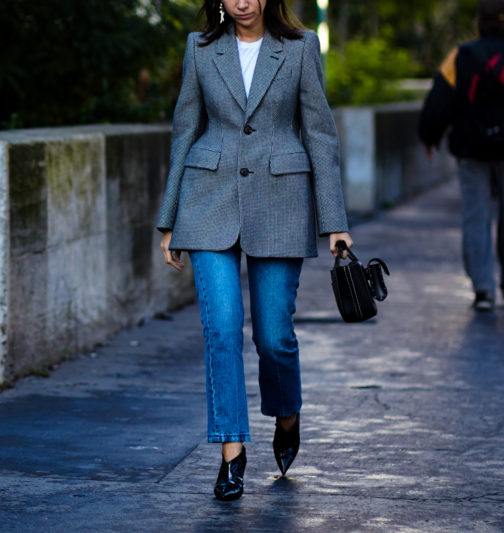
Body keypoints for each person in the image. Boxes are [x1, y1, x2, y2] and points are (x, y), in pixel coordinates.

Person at [157, 0, 352, 501]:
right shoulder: (200, 48)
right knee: (221, 330)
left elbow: (320, 134)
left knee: (274, 338)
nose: (242, 2)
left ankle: (287, 415)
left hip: (282, 202)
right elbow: (185, 131)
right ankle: (231, 452)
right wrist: (169, 218)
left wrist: (335, 223)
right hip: (207, 202)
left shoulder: (301, 47)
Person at [418, 0, 504, 312]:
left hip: (472, 147)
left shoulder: (462, 55)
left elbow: (440, 100)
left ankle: (483, 290)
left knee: (475, 216)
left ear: (480, 20)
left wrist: (429, 136)